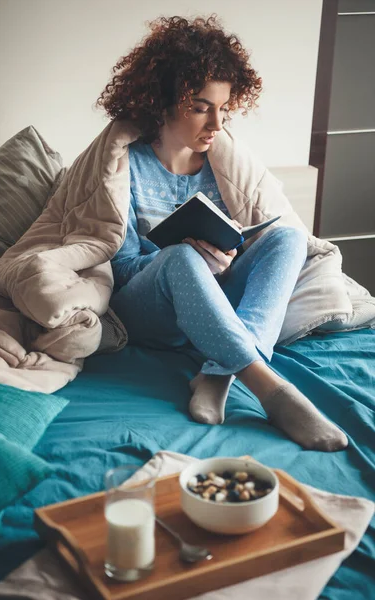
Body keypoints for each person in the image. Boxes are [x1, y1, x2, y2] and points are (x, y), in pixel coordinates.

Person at [95, 15, 348, 452]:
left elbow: (248, 236)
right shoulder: (125, 166)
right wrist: (180, 255)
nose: (216, 124)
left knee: (288, 237)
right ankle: (270, 389)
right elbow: (118, 270)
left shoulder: (221, 165)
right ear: (162, 102)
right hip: (148, 312)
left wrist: (226, 257)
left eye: (224, 109)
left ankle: (216, 371)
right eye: (200, 107)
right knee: (180, 257)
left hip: (215, 303)